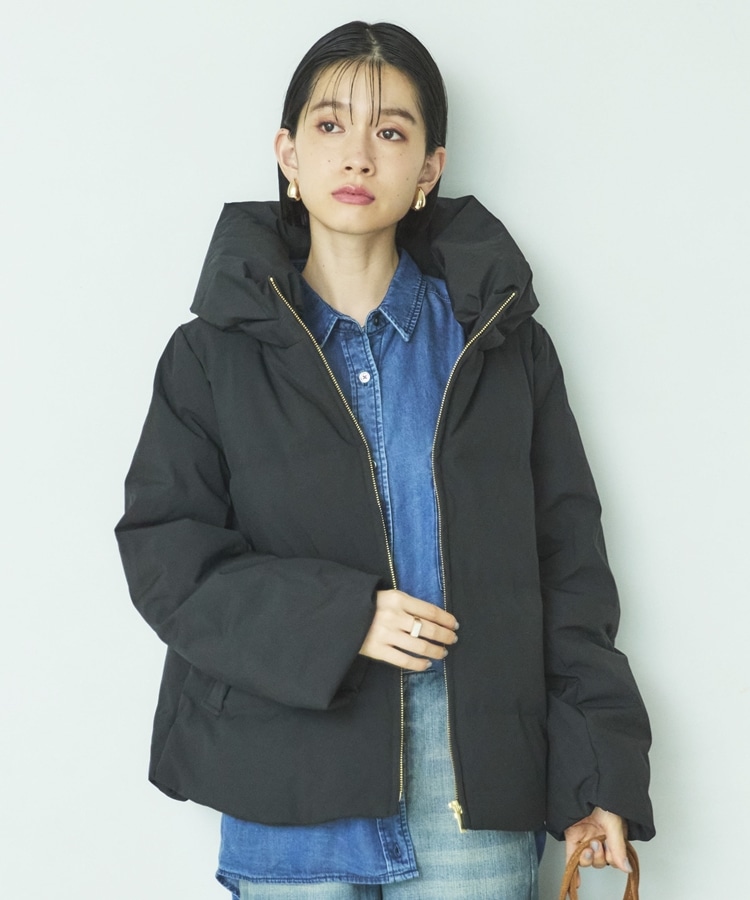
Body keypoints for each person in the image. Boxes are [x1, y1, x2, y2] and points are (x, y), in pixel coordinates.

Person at [115, 20, 654, 900]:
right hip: (285, 788)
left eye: (391, 131)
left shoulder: (499, 344)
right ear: (288, 155)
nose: (358, 155)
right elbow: (168, 559)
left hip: (474, 792)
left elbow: (567, 571)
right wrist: (342, 621)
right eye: (330, 125)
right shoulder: (209, 358)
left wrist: (597, 777)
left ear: (429, 169)